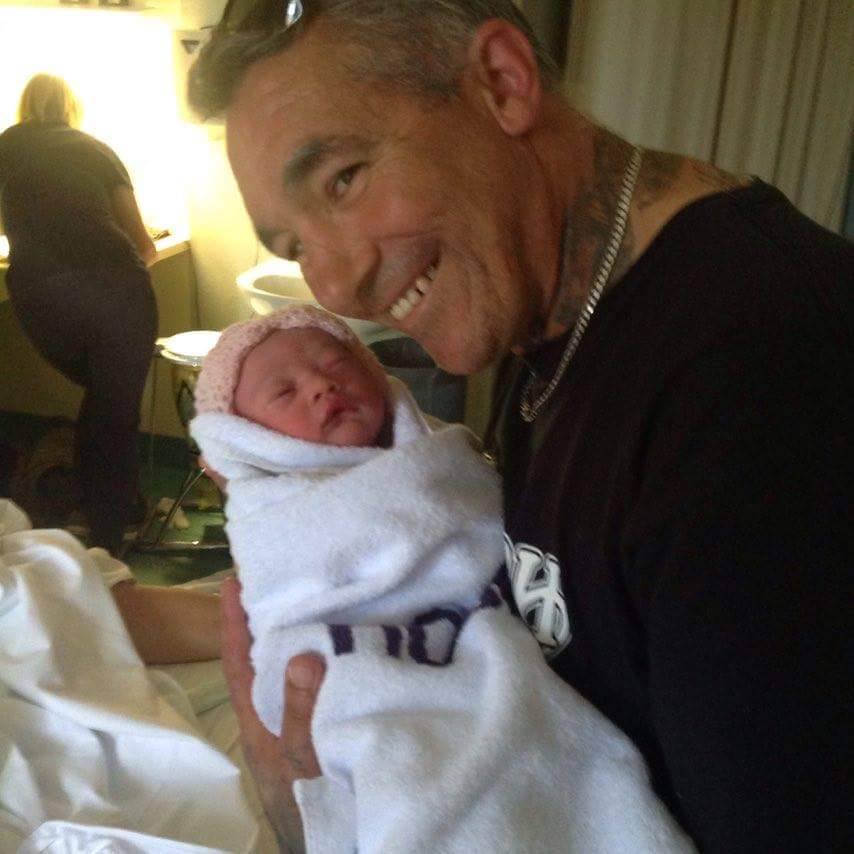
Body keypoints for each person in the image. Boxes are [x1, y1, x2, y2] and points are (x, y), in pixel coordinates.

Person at [187, 2, 853, 852]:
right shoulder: (546, 315)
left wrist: (300, 812)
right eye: (295, 246)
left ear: (503, 83)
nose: (337, 287)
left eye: (344, 180)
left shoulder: (767, 387)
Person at [190, 304, 694, 851]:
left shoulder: (441, 457)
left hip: (501, 661)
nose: (321, 384)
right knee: (411, 786)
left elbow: (486, 535)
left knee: (574, 776)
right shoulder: (270, 513)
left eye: (336, 363)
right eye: (284, 392)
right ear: (242, 437)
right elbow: (283, 597)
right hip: (370, 688)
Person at [0, 73, 158, 555]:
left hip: (40, 294)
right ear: (72, 110)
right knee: (113, 412)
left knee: (101, 403)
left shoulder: (5, 145)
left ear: (24, 108)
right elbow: (145, 246)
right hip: (118, 288)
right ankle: (108, 542)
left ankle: (88, 508)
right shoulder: (96, 150)